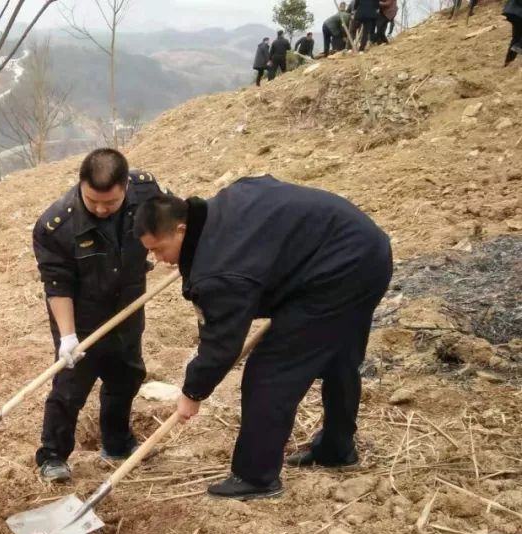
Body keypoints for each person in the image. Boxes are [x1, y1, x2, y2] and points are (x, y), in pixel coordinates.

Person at [133, 176, 392, 500]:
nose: (158, 260)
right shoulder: (217, 212)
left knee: (270, 372)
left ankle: (255, 477)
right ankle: (337, 449)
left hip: (339, 271)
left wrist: (192, 391)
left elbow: (223, 343)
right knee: (338, 356)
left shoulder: (221, 270)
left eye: (159, 249)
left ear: (182, 229)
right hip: (365, 248)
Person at [31, 149, 162, 482]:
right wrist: (68, 337)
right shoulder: (55, 225)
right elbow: (56, 284)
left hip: (129, 307)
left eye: (111, 203)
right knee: (70, 387)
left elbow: (168, 220)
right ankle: (52, 455)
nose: (102, 209)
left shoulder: (145, 191)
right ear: (81, 185)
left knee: (126, 377)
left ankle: (117, 443)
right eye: (93, 202)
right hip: (81, 314)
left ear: (125, 188)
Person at [504, 0, 522, 66]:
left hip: (513, 11)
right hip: (517, 12)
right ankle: (519, 46)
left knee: (516, 37)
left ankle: (508, 62)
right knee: (517, 40)